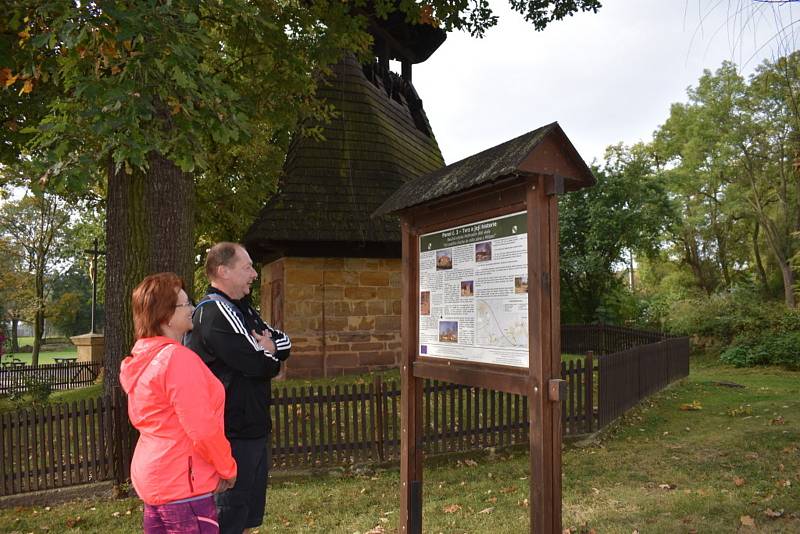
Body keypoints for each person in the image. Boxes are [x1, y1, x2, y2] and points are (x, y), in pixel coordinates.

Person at [185, 242, 291, 534]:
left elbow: (284, 342)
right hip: (231, 432)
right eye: (246, 267)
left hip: (252, 427)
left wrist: (268, 348)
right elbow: (259, 363)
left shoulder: (243, 310)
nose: (254, 274)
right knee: (228, 515)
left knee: (246, 514)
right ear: (223, 271)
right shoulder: (216, 312)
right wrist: (271, 356)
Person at [120, 272, 237, 534]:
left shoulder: (143, 359)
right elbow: (203, 428)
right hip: (183, 484)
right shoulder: (177, 360)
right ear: (166, 315)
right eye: (185, 305)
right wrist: (227, 468)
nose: (193, 309)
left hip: (155, 480)